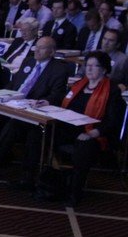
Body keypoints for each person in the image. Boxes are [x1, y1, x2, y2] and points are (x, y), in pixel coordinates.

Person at [0, 37, 70, 187]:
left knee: (14, 125)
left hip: (32, 110)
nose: (36, 50)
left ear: (52, 52)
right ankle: (3, 155)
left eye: (42, 48)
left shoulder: (59, 69)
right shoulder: (29, 61)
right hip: (12, 103)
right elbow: (14, 83)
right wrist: (2, 94)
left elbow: (57, 94)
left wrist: (44, 101)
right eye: (36, 46)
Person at [52, 51, 126, 205]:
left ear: (104, 69)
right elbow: (64, 102)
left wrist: (93, 133)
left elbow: (113, 121)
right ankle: (37, 181)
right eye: (88, 65)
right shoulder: (79, 84)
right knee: (39, 132)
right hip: (69, 128)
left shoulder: (112, 90)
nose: (89, 69)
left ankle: (75, 192)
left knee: (84, 146)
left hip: (95, 133)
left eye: (94, 66)